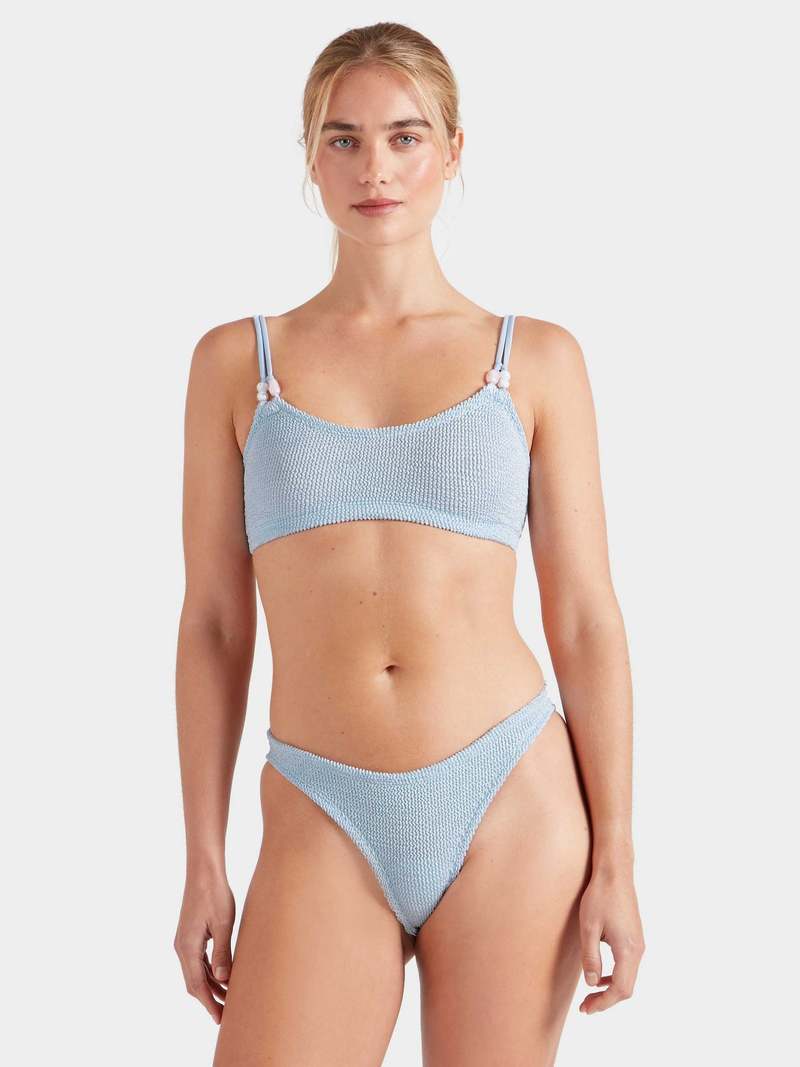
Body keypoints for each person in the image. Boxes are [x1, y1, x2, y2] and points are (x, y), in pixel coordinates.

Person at [174, 21, 645, 1066]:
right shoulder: (236, 363)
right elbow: (212, 624)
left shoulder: (534, 359)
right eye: (341, 139)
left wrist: (616, 852)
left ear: (453, 150)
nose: (374, 169)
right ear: (310, 157)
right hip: (320, 799)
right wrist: (204, 855)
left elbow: (585, 617)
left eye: (404, 136)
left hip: (510, 795)